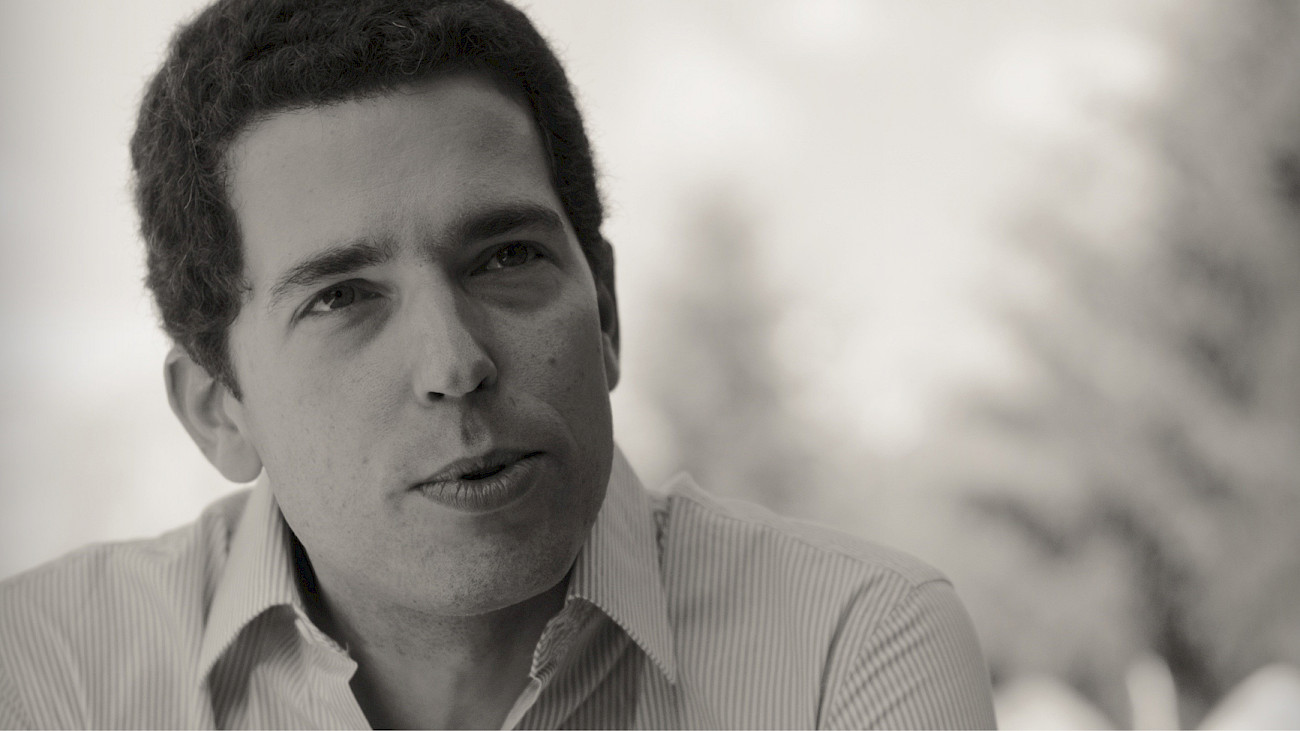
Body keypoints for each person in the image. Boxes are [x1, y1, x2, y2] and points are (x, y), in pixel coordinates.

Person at [0, 0, 997, 727]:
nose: (456, 362)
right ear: (218, 408)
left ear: (605, 310)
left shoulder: (847, 645)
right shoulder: (48, 671)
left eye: (508, 257)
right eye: (341, 297)